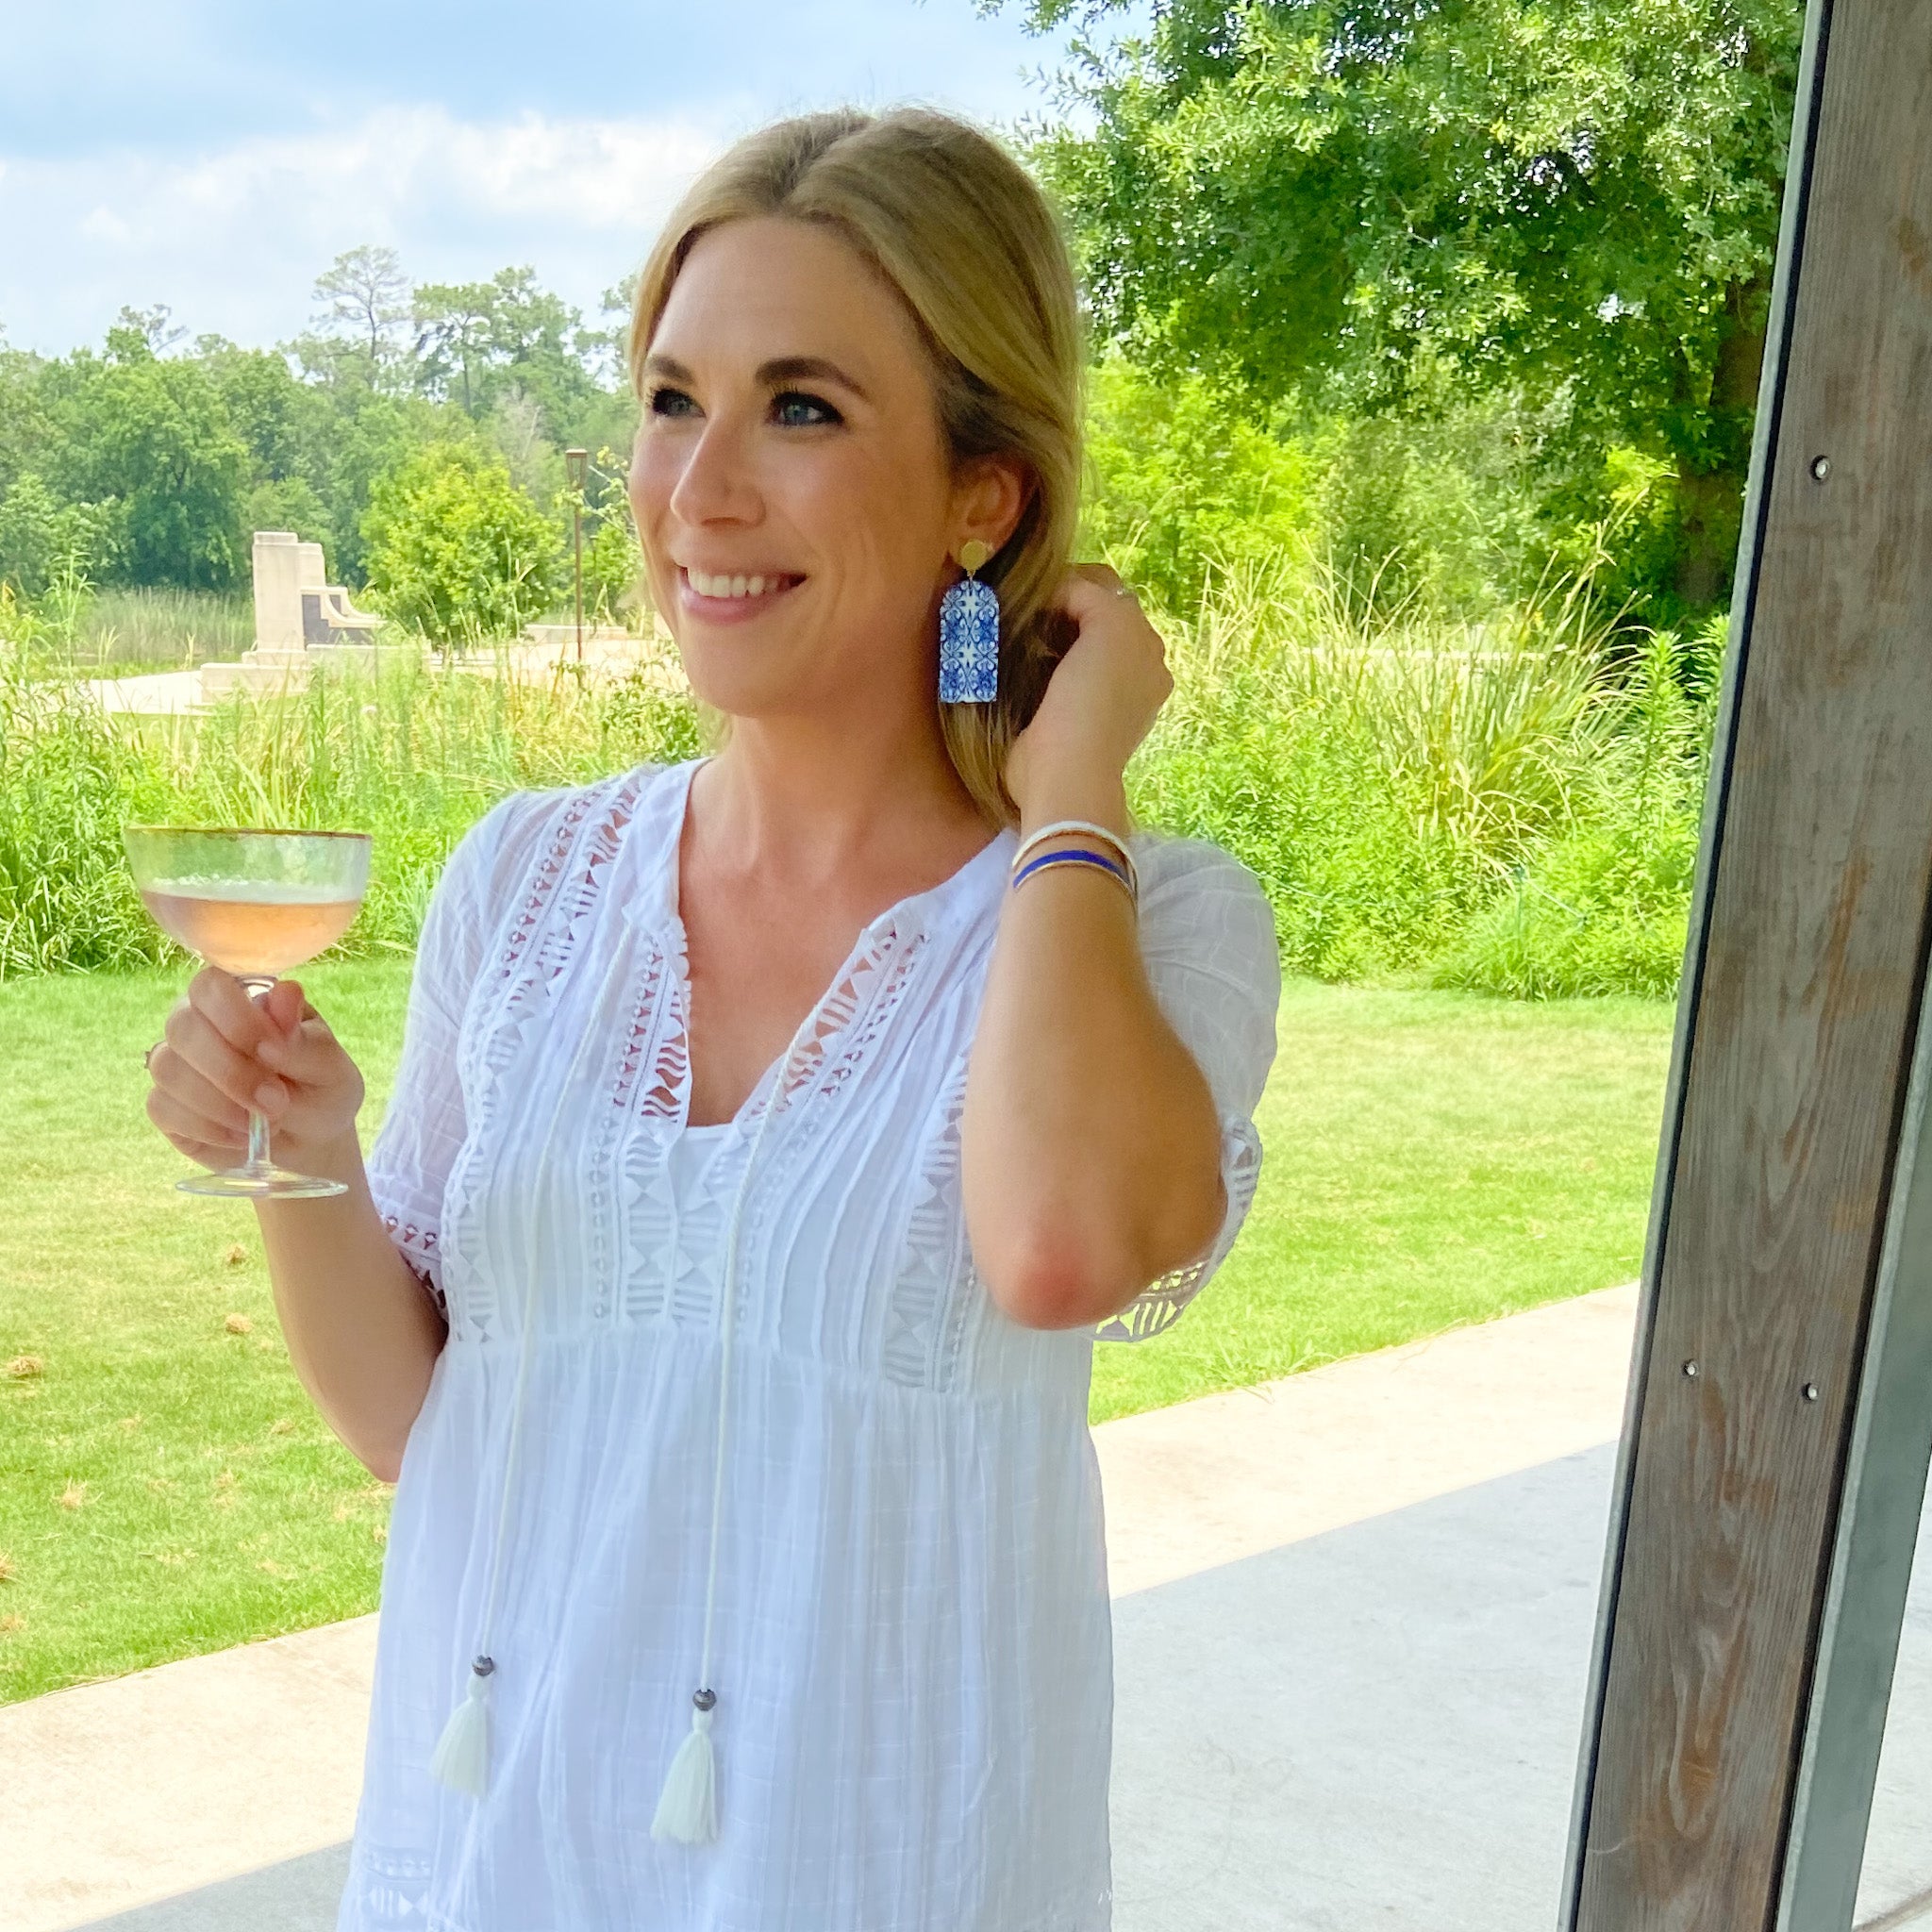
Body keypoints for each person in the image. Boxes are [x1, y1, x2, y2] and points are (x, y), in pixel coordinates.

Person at [141, 106, 1280, 1932]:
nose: (701, 492)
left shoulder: (1150, 918)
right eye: (673, 401)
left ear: (982, 496)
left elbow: (1063, 1250)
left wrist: (1072, 791)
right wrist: (306, 1156)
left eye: (801, 408)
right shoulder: (528, 879)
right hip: (495, 1852)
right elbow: (416, 1422)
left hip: (877, 1863)